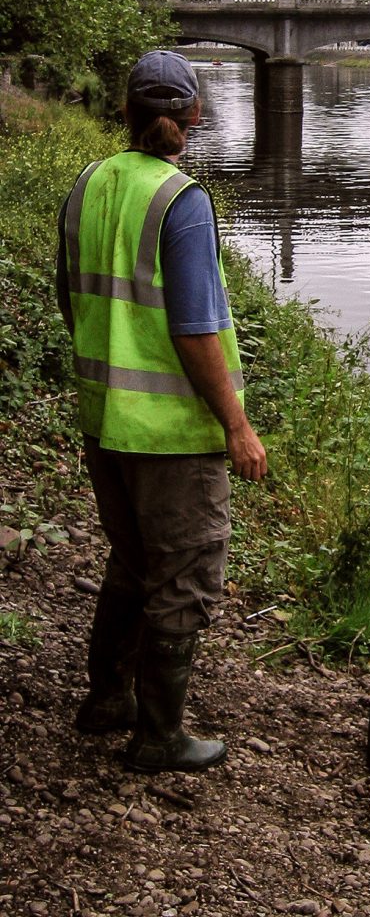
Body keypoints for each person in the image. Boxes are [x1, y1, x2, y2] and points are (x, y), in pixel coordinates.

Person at [56, 50, 268, 774]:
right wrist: (236, 424)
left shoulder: (88, 184)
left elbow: (69, 295)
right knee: (183, 577)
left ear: (124, 112)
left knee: (131, 562)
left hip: (103, 420)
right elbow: (194, 329)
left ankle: (106, 699)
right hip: (173, 435)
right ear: (194, 116)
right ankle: (158, 737)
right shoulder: (181, 201)